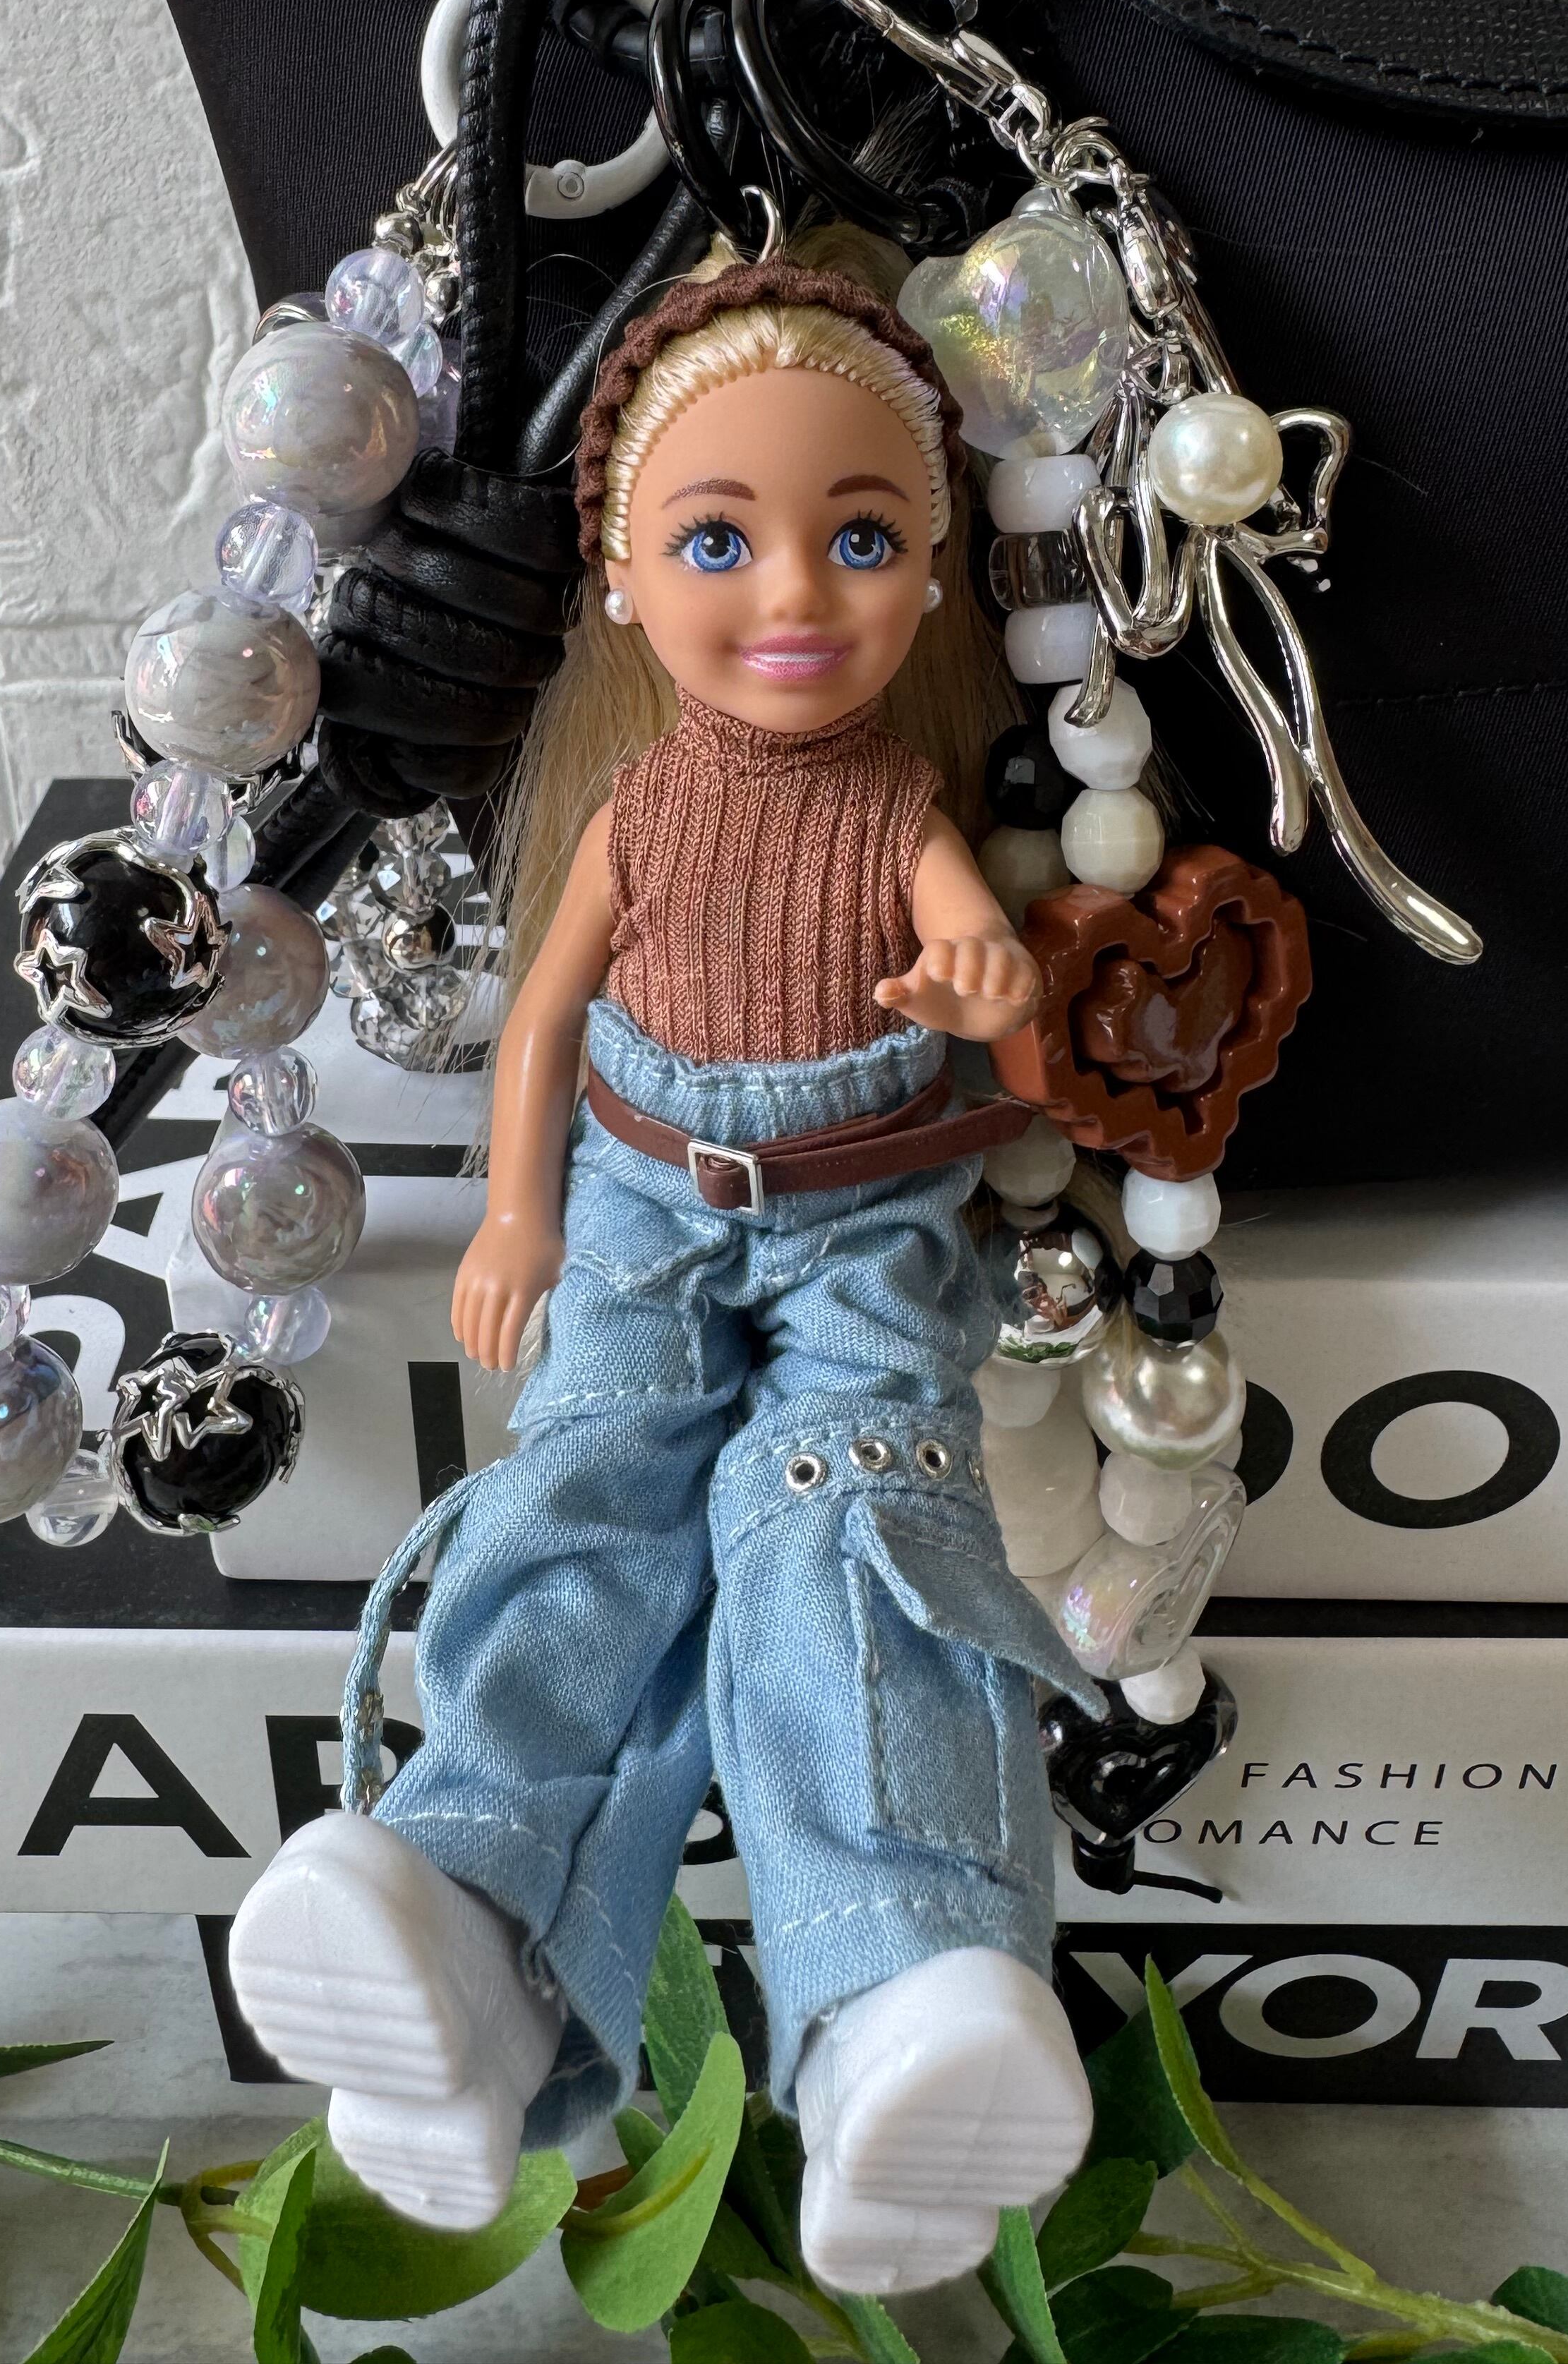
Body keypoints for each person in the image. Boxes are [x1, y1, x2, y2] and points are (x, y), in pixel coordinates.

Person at [229, 234, 1102, 2297]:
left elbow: (1018, 1045)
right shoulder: (633, 808)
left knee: (854, 1508)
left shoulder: (903, 809)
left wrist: (988, 988)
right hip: (638, 1198)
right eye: (721, 539)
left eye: (861, 537)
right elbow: (541, 1022)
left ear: (936, 571)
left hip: (862, 1216)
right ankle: (459, 1902)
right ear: (622, 578)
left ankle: (908, 1984)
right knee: (588, 1477)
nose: (794, 595)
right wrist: (516, 1212)